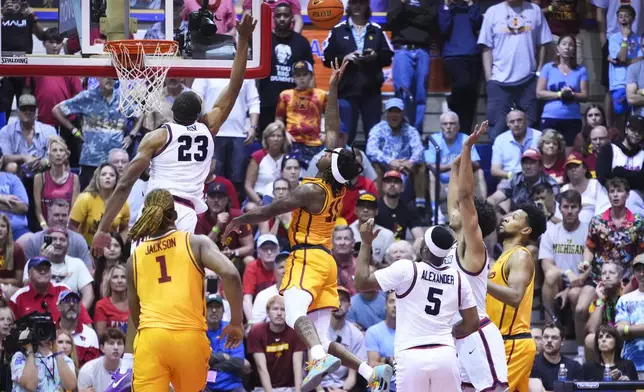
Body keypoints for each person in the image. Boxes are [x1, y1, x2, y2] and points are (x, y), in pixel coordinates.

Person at [223, 61, 392, 392]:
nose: (327, 149)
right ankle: (371, 374)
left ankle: (316, 355)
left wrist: (241, 218)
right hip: (326, 261)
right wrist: (333, 87)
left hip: (306, 258)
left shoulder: (310, 189)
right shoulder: (337, 184)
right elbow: (332, 127)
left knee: (291, 315)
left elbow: (271, 207)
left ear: (330, 164)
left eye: (332, 153)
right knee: (323, 338)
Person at [91, 15, 257, 247]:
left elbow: (125, 183)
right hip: (186, 215)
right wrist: (245, 39)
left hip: (157, 208)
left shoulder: (158, 137)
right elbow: (235, 84)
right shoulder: (209, 128)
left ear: (172, 113)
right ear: (199, 113)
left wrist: (102, 229)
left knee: (140, 271)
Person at [118, 189, 244, 392]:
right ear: (174, 216)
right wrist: (237, 322)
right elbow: (231, 275)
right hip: (188, 337)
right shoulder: (195, 242)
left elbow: (135, 312)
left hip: (151, 338)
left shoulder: (134, 258)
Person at [354, 220, 479, 391]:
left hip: (411, 355)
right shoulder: (458, 278)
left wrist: (366, 243)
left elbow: (361, 283)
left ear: (424, 249)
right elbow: (472, 323)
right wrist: (450, 332)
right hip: (445, 354)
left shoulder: (407, 269)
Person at [444, 122, 509, 392]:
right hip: (458, 336)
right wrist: (455, 168)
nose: (454, 212)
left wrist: (468, 148)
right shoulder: (454, 245)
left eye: (461, 210)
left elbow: (466, 197)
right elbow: (453, 203)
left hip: (478, 332)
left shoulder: (474, 247)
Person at [486, 203, 547, 392]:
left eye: (513, 218)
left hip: (513, 343)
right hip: (501, 342)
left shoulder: (520, 256)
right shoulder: (502, 259)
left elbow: (515, 297)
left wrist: (479, 281)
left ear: (526, 229)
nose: (505, 218)